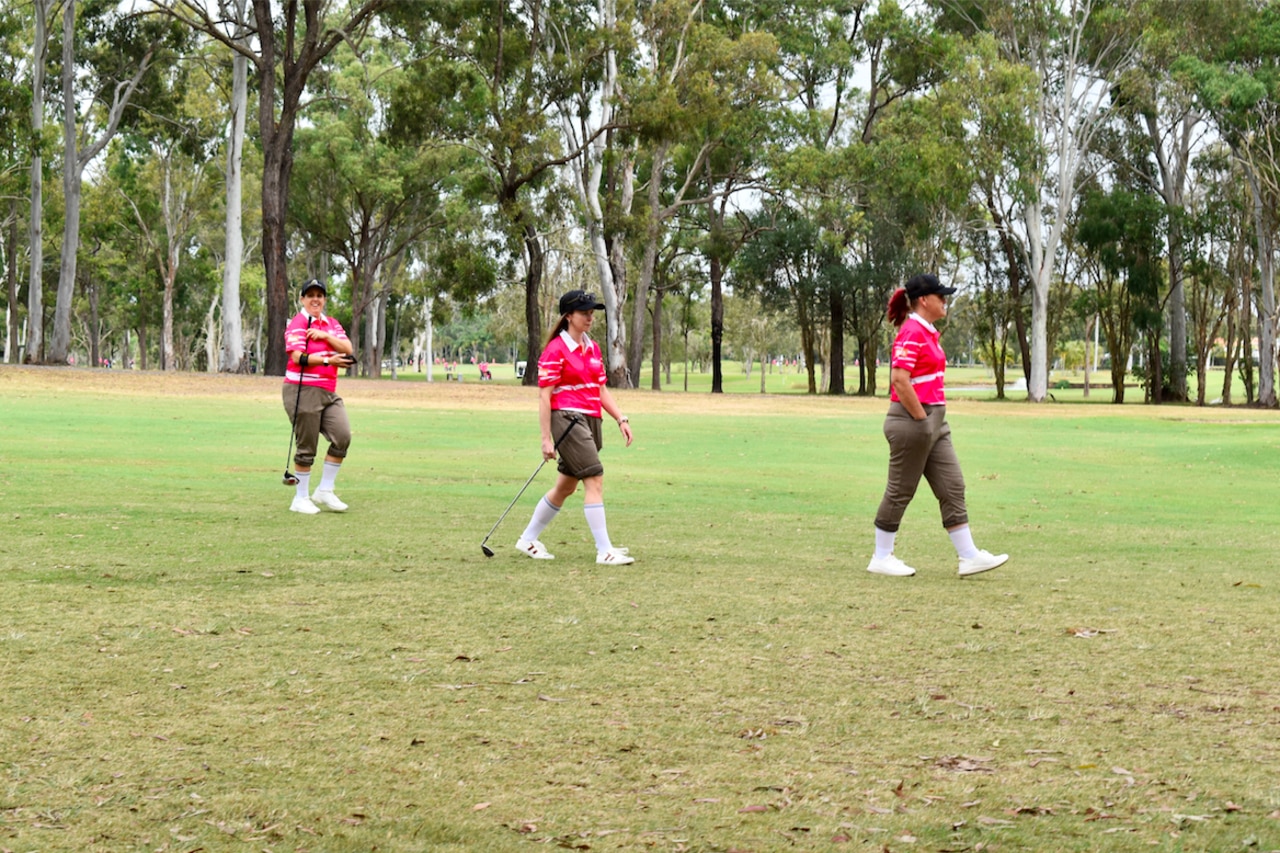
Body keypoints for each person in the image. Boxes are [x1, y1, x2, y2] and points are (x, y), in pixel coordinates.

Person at [867, 273, 1008, 578]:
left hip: (934, 422)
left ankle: (969, 556)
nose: (945, 301)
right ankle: (881, 556)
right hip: (912, 420)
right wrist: (922, 420)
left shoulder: (928, 330)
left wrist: (931, 422)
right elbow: (899, 380)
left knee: (952, 485)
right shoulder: (911, 332)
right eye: (941, 296)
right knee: (901, 490)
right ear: (924, 300)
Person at [515, 290, 635, 565]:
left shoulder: (592, 348)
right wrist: (546, 439)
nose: (590, 317)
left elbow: (600, 389)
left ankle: (527, 539)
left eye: (592, 312)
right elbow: (544, 396)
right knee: (594, 478)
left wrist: (621, 419)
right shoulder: (556, 350)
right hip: (567, 419)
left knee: (566, 486)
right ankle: (604, 550)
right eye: (584, 312)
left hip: (592, 419)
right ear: (569, 316)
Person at [283, 278, 357, 514]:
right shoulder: (298, 322)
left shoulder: (331, 324)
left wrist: (325, 337)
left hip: (328, 391)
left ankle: (324, 490)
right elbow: (297, 358)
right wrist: (328, 359)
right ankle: (300, 498)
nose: (316, 299)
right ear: (302, 299)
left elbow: (348, 349)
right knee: (307, 445)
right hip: (302, 390)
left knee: (342, 436)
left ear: (324, 299)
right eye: (310, 295)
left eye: (320, 295)